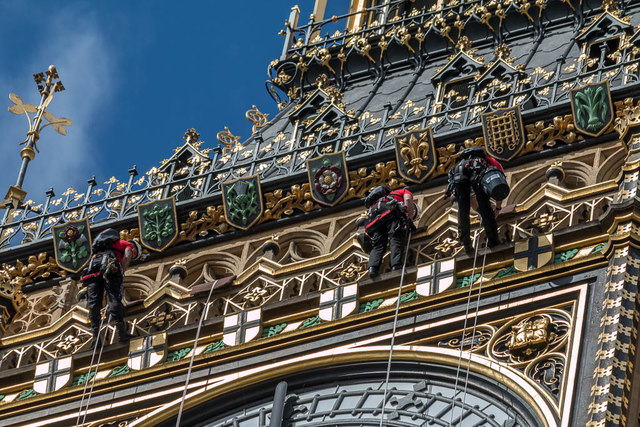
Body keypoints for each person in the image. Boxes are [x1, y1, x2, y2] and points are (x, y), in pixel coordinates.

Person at [81, 228, 141, 346]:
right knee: (114, 298)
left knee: (93, 304)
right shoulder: (126, 244)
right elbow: (127, 256)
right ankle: (121, 332)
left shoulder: (100, 248)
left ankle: (96, 338)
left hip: (92, 273)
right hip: (110, 271)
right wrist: (122, 270)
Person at [445, 146, 507, 254]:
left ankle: (466, 244)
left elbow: (471, 203)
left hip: (459, 175)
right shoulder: (490, 161)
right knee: (484, 204)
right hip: (476, 173)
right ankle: (493, 240)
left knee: (463, 210)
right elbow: (499, 189)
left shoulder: (460, 164)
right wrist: (497, 208)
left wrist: (479, 211)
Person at [364, 186, 417, 277]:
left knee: (378, 245)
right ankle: (396, 265)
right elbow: (408, 200)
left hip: (375, 221)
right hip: (390, 215)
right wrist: (409, 219)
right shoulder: (403, 191)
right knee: (396, 237)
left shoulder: (378, 201)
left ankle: (373, 268)